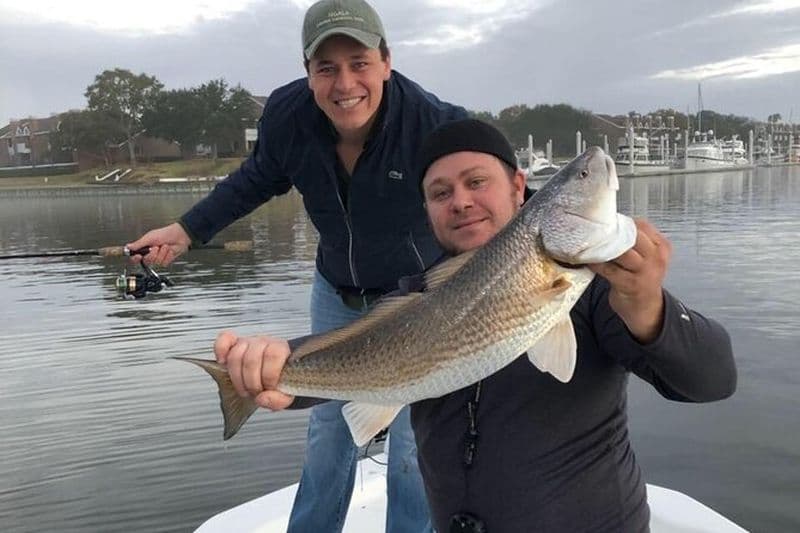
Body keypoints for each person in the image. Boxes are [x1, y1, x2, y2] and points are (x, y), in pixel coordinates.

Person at [215, 119, 737, 532]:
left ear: (518, 186)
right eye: (440, 192)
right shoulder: (413, 297)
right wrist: (272, 366)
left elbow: (712, 379)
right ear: (426, 208)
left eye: (476, 182)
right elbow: (360, 350)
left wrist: (649, 306)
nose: (460, 200)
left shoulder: (601, 290)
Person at [127, 0, 467, 530]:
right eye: (326, 68)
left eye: (359, 62)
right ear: (307, 73)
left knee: (415, 446)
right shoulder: (287, 115)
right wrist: (186, 230)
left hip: (418, 302)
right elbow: (258, 177)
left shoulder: (434, 124)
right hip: (336, 293)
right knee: (327, 436)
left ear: (386, 61)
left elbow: (496, 193)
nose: (344, 83)